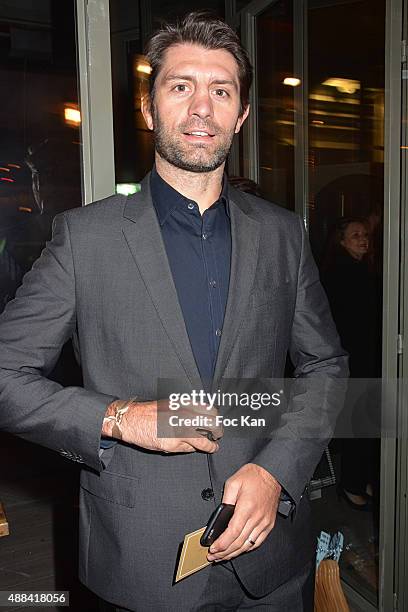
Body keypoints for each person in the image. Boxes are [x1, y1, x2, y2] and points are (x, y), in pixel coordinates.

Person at [0, 12, 348, 611]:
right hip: (141, 562)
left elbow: (327, 367)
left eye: (221, 90)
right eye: (181, 86)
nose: (201, 108)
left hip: (269, 560)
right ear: (148, 106)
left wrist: (276, 474)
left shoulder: (284, 235)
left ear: (239, 114)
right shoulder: (85, 238)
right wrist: (119, 418)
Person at [321, 217, 381, 510]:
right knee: (361, 423)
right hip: (354, 358)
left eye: (366, 234)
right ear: (342, 241)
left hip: (363, 357)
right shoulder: (342, 272)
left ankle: (361, 479)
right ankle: (352, 485)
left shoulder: (362, 269)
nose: (363, 238)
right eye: (356, 235)